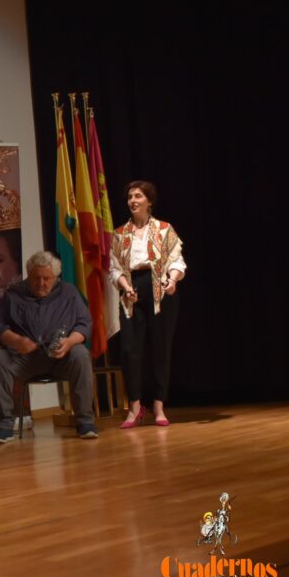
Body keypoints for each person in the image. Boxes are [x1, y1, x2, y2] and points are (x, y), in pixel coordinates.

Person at [0, 252, 98, 443]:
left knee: (81, 354)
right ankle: (3, 427)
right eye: (36, 278)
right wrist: (16, 340)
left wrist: (70, 342)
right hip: (25, 358)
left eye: (47, 279)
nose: (41, 283)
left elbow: (85, 323)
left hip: (60, 356)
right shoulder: (13, 294)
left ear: (55, 277)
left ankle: (85, 423)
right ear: (28, 275)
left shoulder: (69, 292)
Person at [109, 180, 186, 428]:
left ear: (149, 201)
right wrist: (125, 285)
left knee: (160, 348)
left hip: (161, 290)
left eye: (138, 196)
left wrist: (172, 281)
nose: (133, 200)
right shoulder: (119, 234)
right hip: (132, 292)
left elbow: (177, 261)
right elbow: (115, 268)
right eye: (130, 196)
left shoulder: (164, 229)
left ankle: (159, 406)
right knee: (130, 350)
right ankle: (134, 407)